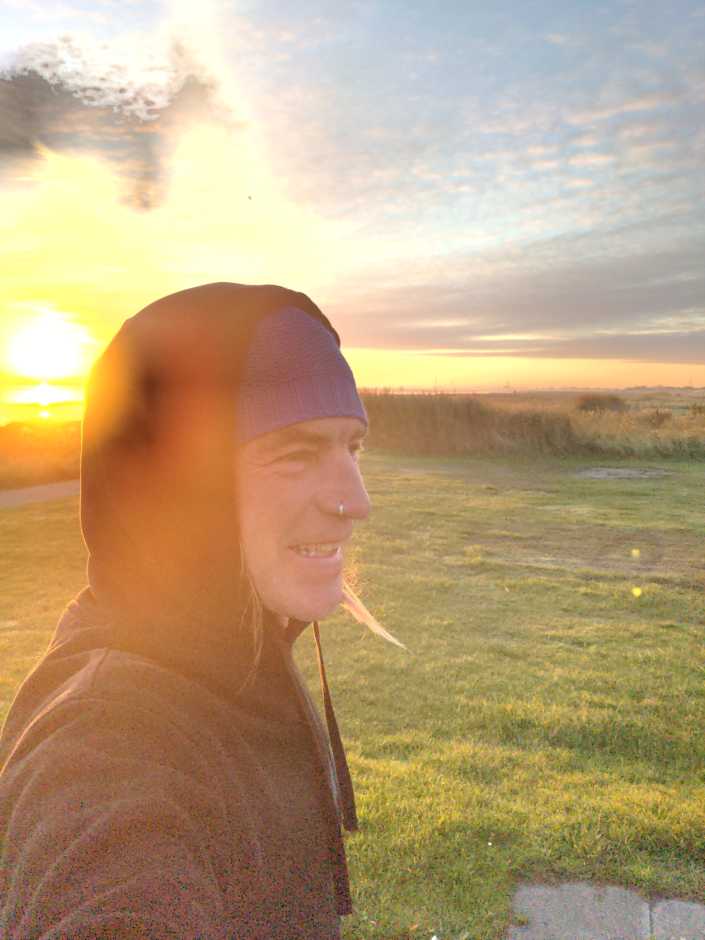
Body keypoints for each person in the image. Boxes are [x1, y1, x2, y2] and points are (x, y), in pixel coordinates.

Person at [0, 282, 373, 939]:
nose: (355, 500)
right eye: (294, 454)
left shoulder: (236, 643)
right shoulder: (106, 741)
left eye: (352, 447)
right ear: (178, 487)